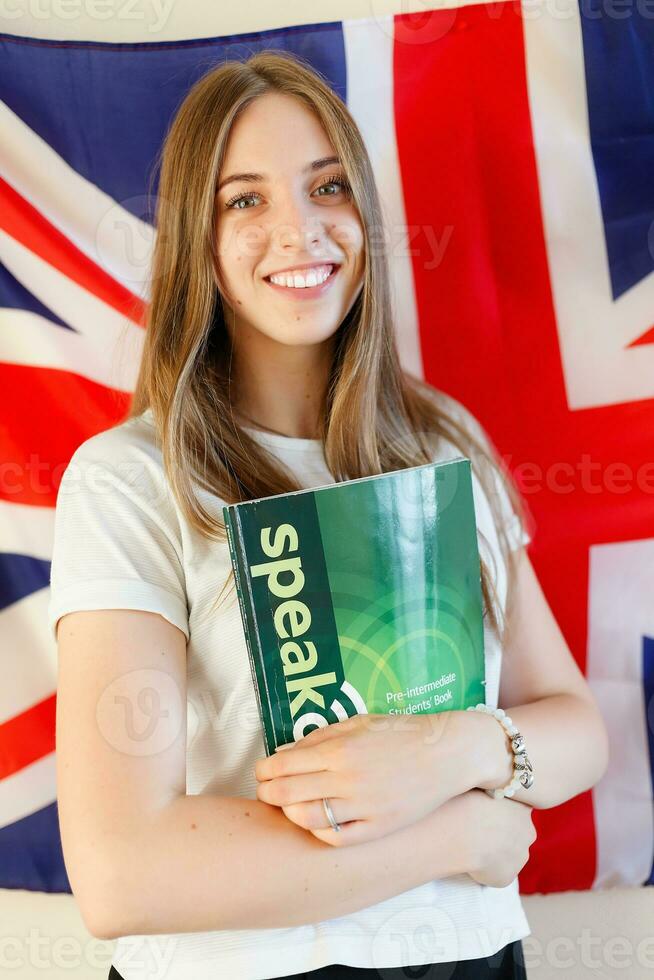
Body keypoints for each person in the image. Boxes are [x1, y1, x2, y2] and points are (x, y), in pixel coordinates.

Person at [48, 51, 609, 980]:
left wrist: (449, 750)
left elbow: (576, 728)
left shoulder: (444, 441)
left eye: (328, 186)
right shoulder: (129, 481)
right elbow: (122, 874)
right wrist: (460, 829)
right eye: (245, 200)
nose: (299, 232)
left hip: (471, 957)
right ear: (197, 234)